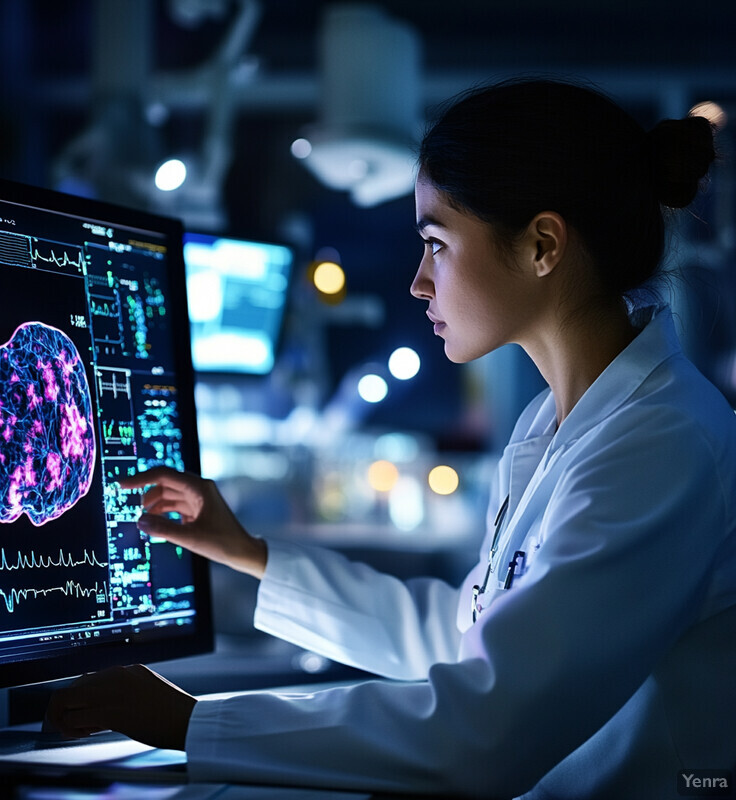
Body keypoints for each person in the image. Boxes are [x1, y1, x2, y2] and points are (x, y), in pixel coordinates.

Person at [45, 78, 736, 798]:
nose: (418, 282)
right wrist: (250, 555)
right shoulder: (560, 426)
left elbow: (485, 730)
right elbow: (469, 642)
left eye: (436, 243)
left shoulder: (662, 442)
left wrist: (193, 724)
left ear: (541, 245)